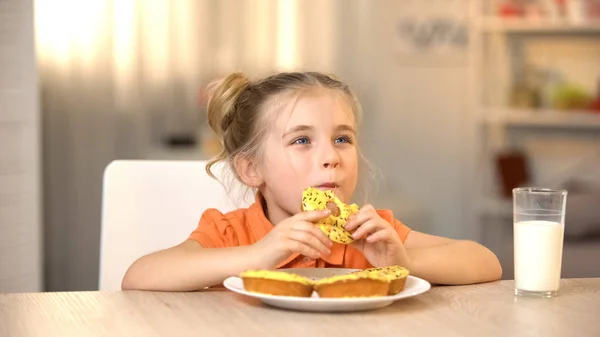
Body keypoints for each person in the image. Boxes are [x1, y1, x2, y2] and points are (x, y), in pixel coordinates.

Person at [122, 71, 502, 291]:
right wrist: (257, 256)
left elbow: (485, 262)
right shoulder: (233, 234)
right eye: (302, 140)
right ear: (252, 168)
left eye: (342, 139)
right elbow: (139, 277)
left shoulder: (368, 235)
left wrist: (402, 261)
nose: (331, 156)